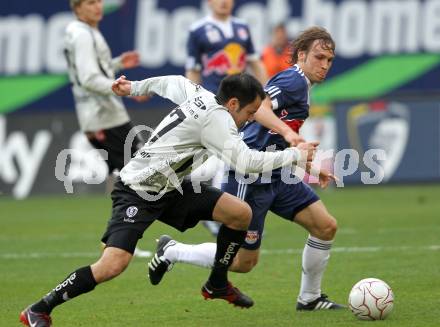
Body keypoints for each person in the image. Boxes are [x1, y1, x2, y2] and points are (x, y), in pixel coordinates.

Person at [19, 72, 320, 326]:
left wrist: (133, 87)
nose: (252, 119)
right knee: (112, 265)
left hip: (173, 186)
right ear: (232, 104)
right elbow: (246, 163)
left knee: (240, 213)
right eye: (250, 112)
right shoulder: (218, 122)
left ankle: (216, 284)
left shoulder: (198, 92)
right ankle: (40, 308)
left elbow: (170, 82)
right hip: (139, 189)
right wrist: (295, 154)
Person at [147, 26, 344, 311]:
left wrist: (307, 163)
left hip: (279, 175)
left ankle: (310, 298)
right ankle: (173, 251)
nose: (324, 65)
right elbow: (260, 106)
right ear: (301, 55)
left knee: (325, 227)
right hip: (249, 177)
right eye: (319, 57)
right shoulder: (294, 80)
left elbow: (273, 134)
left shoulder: (303, 87)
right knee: (242, 262)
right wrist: (289, 136)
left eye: (329, 60)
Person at [63, 0, 149, 257]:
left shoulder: (80, 31)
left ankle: (114, 240)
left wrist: (118, 63)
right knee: (137, 170)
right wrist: (124, 88)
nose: (97, 6)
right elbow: (89, 78)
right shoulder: (82, 35)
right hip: (104, 116)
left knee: (125, 173)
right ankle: (117, 240)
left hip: (98, 116)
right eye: (90, 2)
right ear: (78, 8)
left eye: (99, 1)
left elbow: (90, 71)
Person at [185, 0, 268, 236]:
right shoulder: (198, 30)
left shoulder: (242, 28)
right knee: (224, 159)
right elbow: (193, 69)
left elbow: (254, 61)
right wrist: (192, 101)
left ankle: (217, 214)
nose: (224, 2)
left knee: (224, 160)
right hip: (215, 103)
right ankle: (218, 213)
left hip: (240, 105)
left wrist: (266, 91)